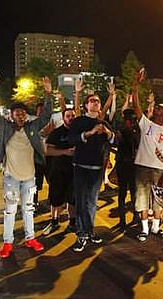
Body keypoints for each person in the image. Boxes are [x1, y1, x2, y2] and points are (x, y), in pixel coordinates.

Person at [0, 70, 52, 258]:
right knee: (10, 211)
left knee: (29, 210)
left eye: (22, 113)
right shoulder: (4, 127)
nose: (20, 116)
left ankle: (30, 238)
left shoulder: (32, 127)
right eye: (17, 113)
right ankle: (7, 242)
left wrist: (48, 93)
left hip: (29, 178)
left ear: (26, 115)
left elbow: (46, 115)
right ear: (12, 116)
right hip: (11, 178)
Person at [68, 90, 115, 253]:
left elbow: (117, 140)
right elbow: (71, 139)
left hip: (96, 169)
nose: (95, 103)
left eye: (97, 101)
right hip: (81, 167)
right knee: (81, 202)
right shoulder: (79, 121)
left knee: (92, 203)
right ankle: (81, 234)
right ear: (86, 105)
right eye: (92, 101)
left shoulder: (104, 123)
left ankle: (90, 231)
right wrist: (89, 133)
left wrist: (108, 133)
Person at [133, 69, 163, 242]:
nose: (158, 108)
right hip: (142, 166)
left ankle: (156, 227)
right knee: (142, 199)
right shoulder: (145, 124)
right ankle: (144, 229)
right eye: (156, 107)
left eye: (161, 108)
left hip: (159, 169)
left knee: (158, 200)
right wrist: (136, 85)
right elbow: (136, 106)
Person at [43, 107, 77, 235]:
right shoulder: (56, 133)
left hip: (73, 171)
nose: (70, 118)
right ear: (63, 118)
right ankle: (54, 221)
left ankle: (72, 222)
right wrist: (65, 152)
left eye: (73, 116)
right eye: (68, 116)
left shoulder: (78, 133)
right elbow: (47, 150)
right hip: (57, 170)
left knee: (72, 198)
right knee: (56, 197)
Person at [114, 96, 140, 228]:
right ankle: (123, 219)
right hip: (124, 164)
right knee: (123, 192)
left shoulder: (135, 131)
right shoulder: (122, 130)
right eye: (130, 120)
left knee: (133, 193)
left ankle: (135, 217)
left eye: (133, 119)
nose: (132, 122)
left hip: (130, 164)